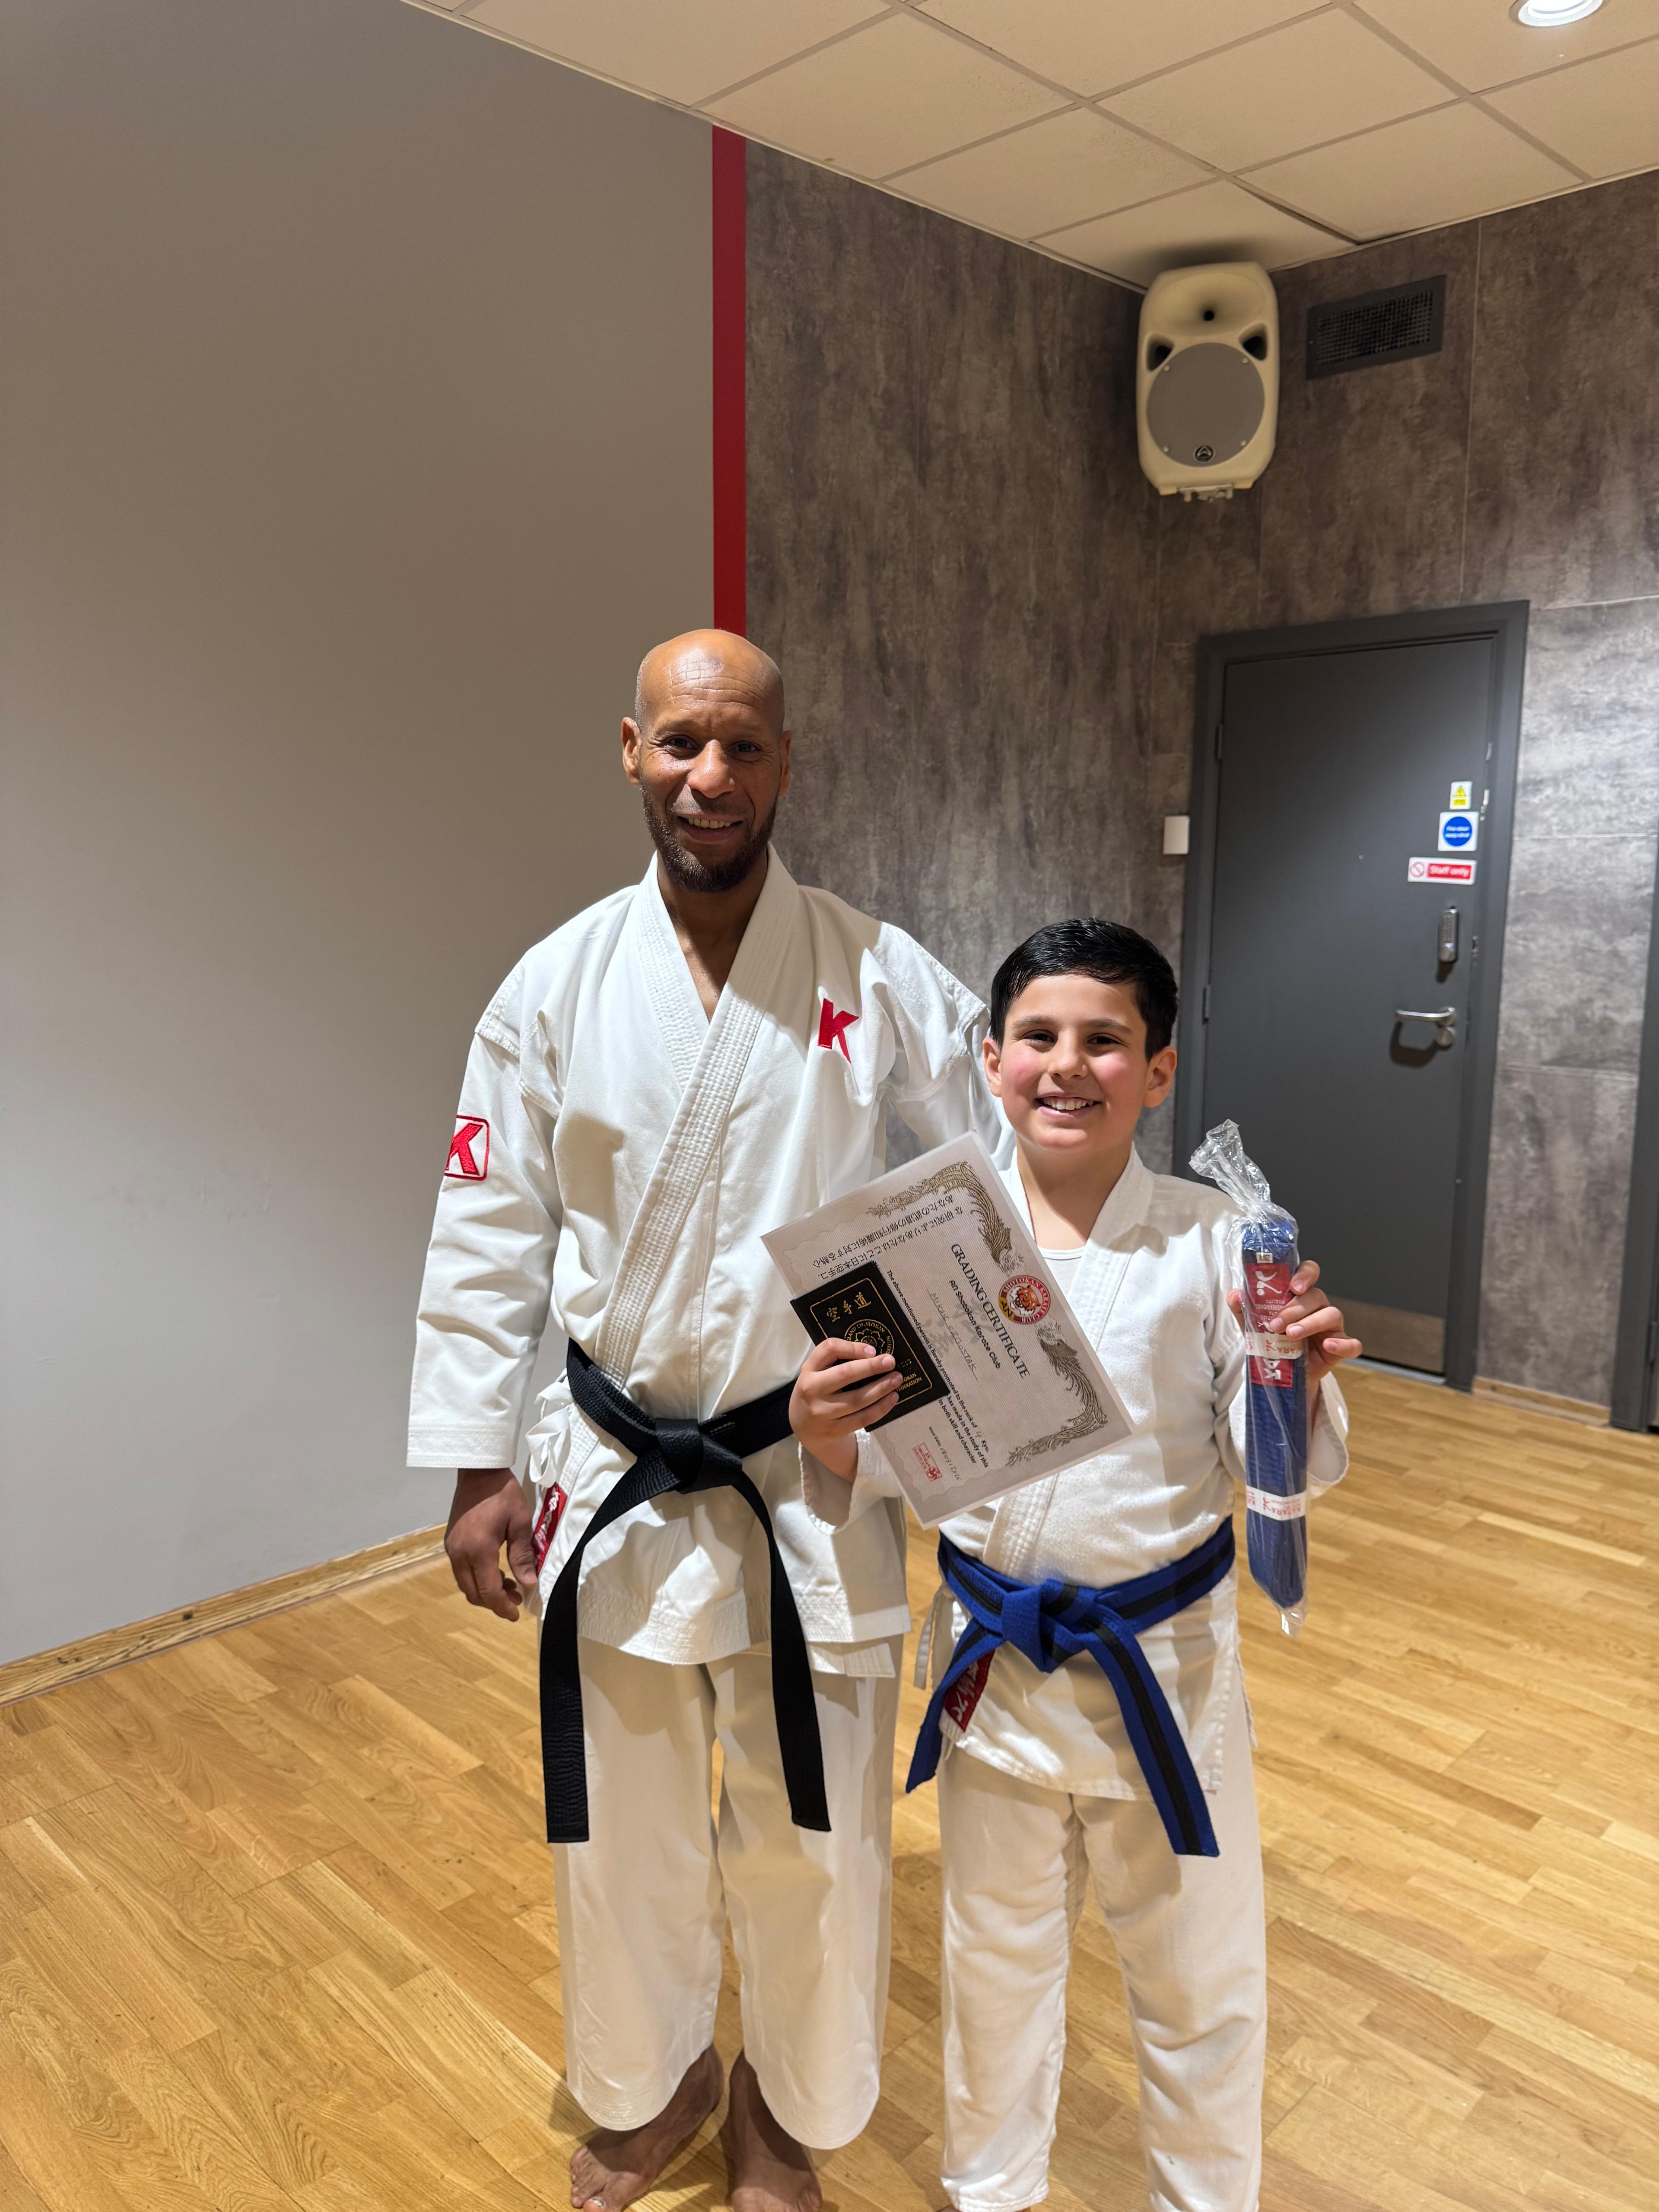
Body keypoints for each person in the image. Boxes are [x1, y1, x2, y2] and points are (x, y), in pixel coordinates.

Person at [408, 630, 997, 2212]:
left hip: (815, 1474)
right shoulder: (553, 984)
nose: (709, 776)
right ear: (630, 750)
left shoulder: (881, 974)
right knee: (628, 1830)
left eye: (741, 746)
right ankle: (650, 2077)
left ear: (786, 762)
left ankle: (788, 2109)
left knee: (817, 1829)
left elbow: (986, 1195)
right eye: (681, 743)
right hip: (615, 1470)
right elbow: (490, 1227)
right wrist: (480, 1465)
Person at [832, 918, 1360, 2212]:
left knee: (1201, 1990)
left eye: (1106, 1041)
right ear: (992, 1058)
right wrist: (829, 1433)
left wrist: (1294, 1378)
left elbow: (1283, 1473)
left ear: (1160, 1071)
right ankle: (990, 2191)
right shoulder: (927, 1241)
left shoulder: (1215, 1244)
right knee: (992, 1970)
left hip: (1166, 1684)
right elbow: (905, 1467)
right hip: (994, 1676)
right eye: (1039, 1038)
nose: (1068, 1066)